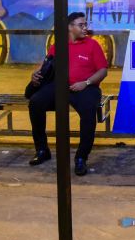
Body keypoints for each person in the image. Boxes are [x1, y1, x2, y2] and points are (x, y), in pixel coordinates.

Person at [27, 12, 108, 176]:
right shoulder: (58, 46)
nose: (85, 28)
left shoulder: (93, 45)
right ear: (70, 27)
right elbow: (45, 65)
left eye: (86, 24)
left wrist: (85, 83)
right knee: (35, 103)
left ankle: (81, 157)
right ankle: (42, 150)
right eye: (81, 25)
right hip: (59, 86)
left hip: (85, 87)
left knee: (88, 111)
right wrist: (35, 75)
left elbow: (103, 71)